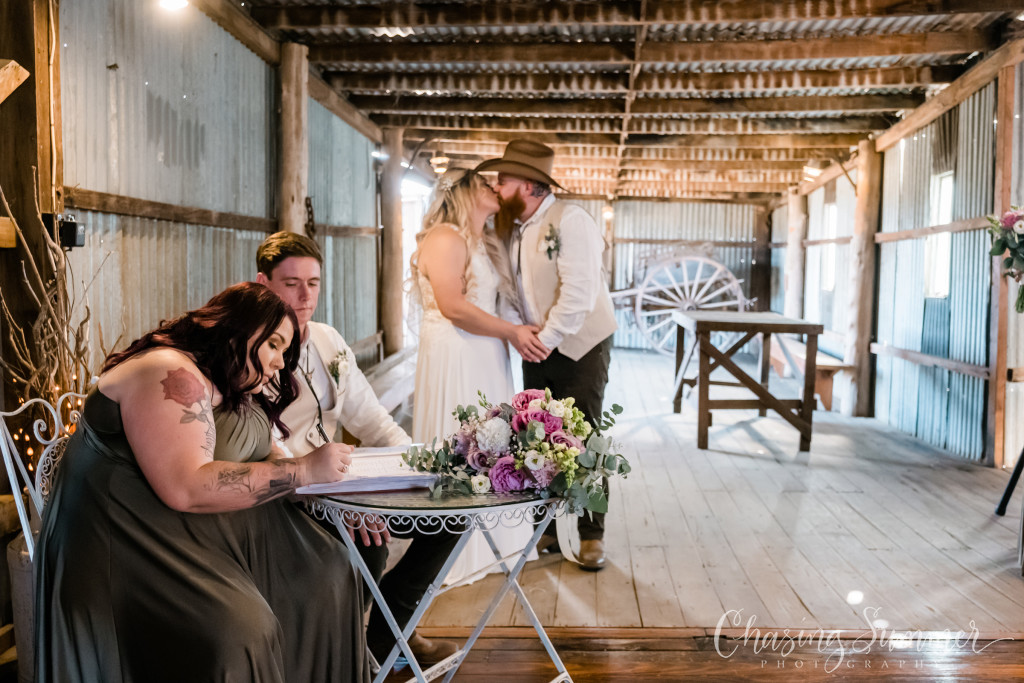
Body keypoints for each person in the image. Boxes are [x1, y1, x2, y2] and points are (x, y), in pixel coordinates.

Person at [34, 282, 369, 682]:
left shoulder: (230, 381)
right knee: (241, 631)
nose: (281, 363)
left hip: (196, 534)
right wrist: (302, 471)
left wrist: (325, 488)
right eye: (274, 345)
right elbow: (186, 486)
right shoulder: (170, 372)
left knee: (329, 572)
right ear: (237, 330)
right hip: (123, 543)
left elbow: (265, 448)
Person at [254, 231, 459, 668]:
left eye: (313, 282)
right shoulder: (253, 352)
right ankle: (340, 654)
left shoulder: (328, 341)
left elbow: (374, 422)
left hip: (343, 480)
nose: (305, 296)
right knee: (371, 542)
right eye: (291, 283)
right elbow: (266, 448)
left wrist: (419, 468)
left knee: (449, 515)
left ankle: (390, 630)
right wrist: (343, 501)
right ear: (262, 283)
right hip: (290, 492)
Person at [476, 139, 618, 571]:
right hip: (535, 345)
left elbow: (580, 293)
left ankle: (592, 534)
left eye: (504, 180)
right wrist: (518, 332)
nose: (497, 187)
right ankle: (547, 531)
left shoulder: (571, 220)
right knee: (534, 436)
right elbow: (510, 291)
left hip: (580, 344)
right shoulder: (510, 228)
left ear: (528, 184)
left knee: (585, 436)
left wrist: (546, 338)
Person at [408, 167, 549, 582]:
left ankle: (491, 544)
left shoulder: (481, 239)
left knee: (490, 442)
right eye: (485, 183)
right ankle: (453, 550)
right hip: (457, 353)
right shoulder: (445, 237)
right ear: (464, 191)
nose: (494, 187)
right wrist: (511, 332)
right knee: (461, 440)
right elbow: (452, 306)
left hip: (485, 352)